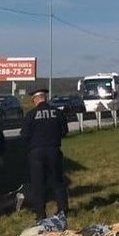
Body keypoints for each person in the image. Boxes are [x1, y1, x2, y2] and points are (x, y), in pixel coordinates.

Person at [20, 87, 70, 222]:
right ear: (45, 98)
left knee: (38, 184)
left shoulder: (31, 115)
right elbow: (64, 131)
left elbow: (24, 135)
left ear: (35, 100)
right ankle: (63, 211)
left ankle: (41, 214)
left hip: (36, 152)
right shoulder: (57, 113)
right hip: (54, 150)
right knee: (58, 182)